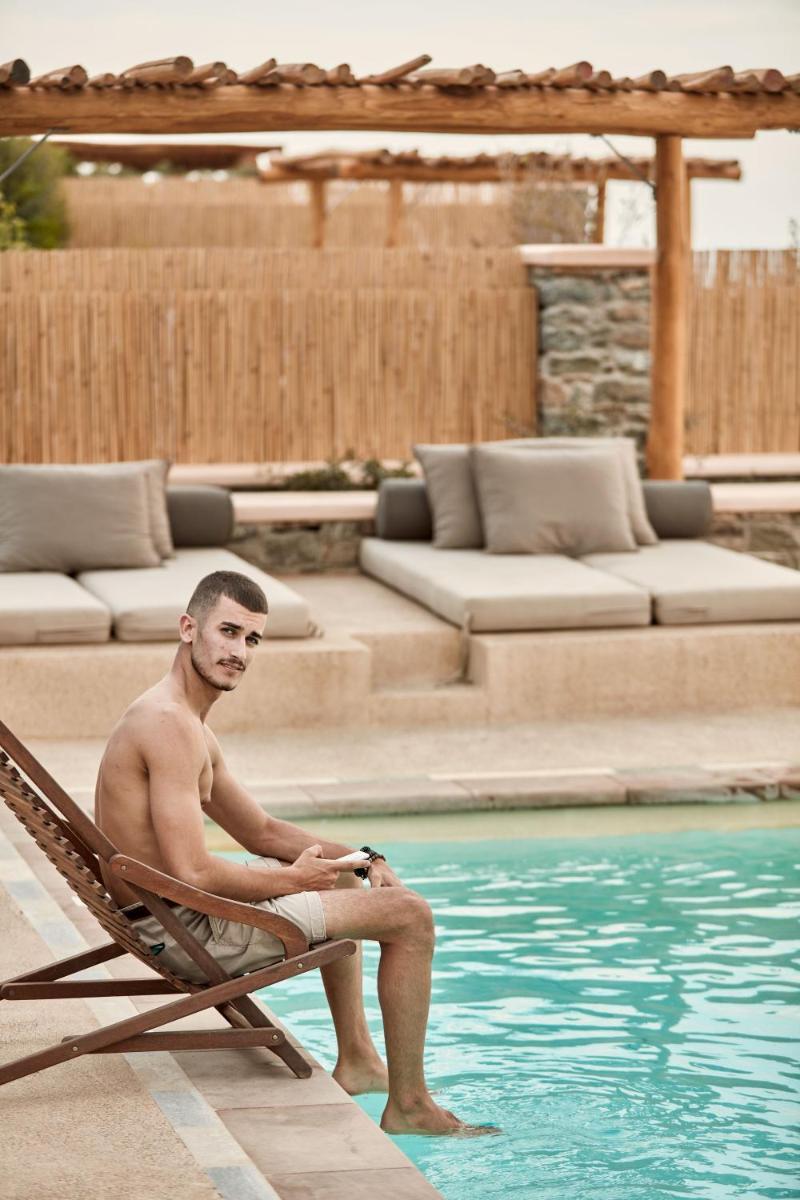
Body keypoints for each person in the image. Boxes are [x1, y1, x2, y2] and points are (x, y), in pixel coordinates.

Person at [95, 569, 492, 1137]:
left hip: (172, 915)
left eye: (251, 639)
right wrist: (293, 881)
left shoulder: (184, 721)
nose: (239, 652)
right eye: (227, 632)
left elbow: (261, 830)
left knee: (346, 878)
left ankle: (358, 1059)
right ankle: (409, 1106)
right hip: (182, 931)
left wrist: (363, 858)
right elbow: (192, 869)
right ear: (188, 628)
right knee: (411, 917)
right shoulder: (168, 725)